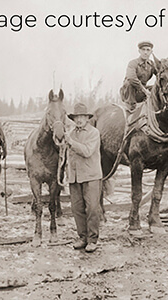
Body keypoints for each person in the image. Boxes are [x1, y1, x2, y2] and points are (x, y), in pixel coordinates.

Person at [60, 102, 103, 252]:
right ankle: (82, 237)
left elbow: (87, 151)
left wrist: (70, 142)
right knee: (77, 209)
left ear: (87, 118)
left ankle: (92, 239)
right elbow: (67, 156)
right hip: (74, 177)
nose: (79, 120)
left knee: (92, 208)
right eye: (76, 117)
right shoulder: (71, 133)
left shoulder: (94, 133)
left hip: (91, 176)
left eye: (82, 117)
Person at [122, 41, 158, 110]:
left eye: (148, 50)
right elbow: (131, 78)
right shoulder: (133, 63)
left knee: (157, 87)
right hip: (129, 93)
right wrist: (144, 90)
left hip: (141, 92)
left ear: (151, 52)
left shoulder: (151, 64)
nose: (145, 52)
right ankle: (131, 107)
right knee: (129, 83)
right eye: (143, 49)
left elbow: (160, 75)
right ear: (139, 51)